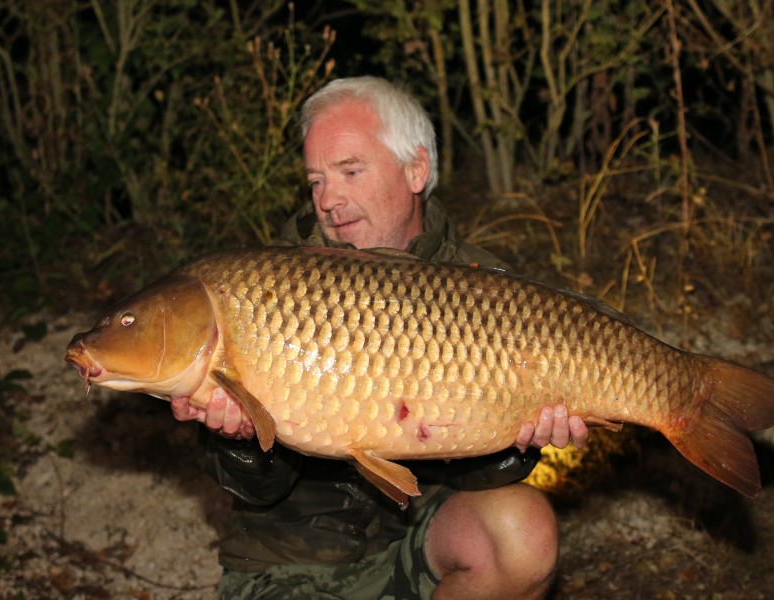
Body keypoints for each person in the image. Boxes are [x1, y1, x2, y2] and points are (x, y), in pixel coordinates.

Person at [171, 76, 590, 600]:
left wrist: (520, 441)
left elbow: (475, 481)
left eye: (350, 171)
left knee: (521, 532)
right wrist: (238, 439)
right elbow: (258, 490)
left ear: (416, 169)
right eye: (316, 180)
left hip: (418, 537)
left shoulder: (483, 288)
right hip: (292, 562)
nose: (330, 200)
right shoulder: (268, 288)